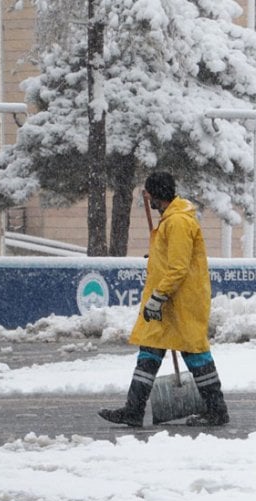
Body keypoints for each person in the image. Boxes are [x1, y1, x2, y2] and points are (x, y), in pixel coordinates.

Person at [99, 172, 229, 427]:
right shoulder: (171, 220)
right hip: (170, 303)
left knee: (195, 353)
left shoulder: (178, 222)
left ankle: (216, 410)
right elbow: (173, 260)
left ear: (156, 194)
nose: (146, 197)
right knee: (149, 351)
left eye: (148, 193)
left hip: (179, 303)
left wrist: (158, 297)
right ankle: (133, 410)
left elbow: (179, 267)